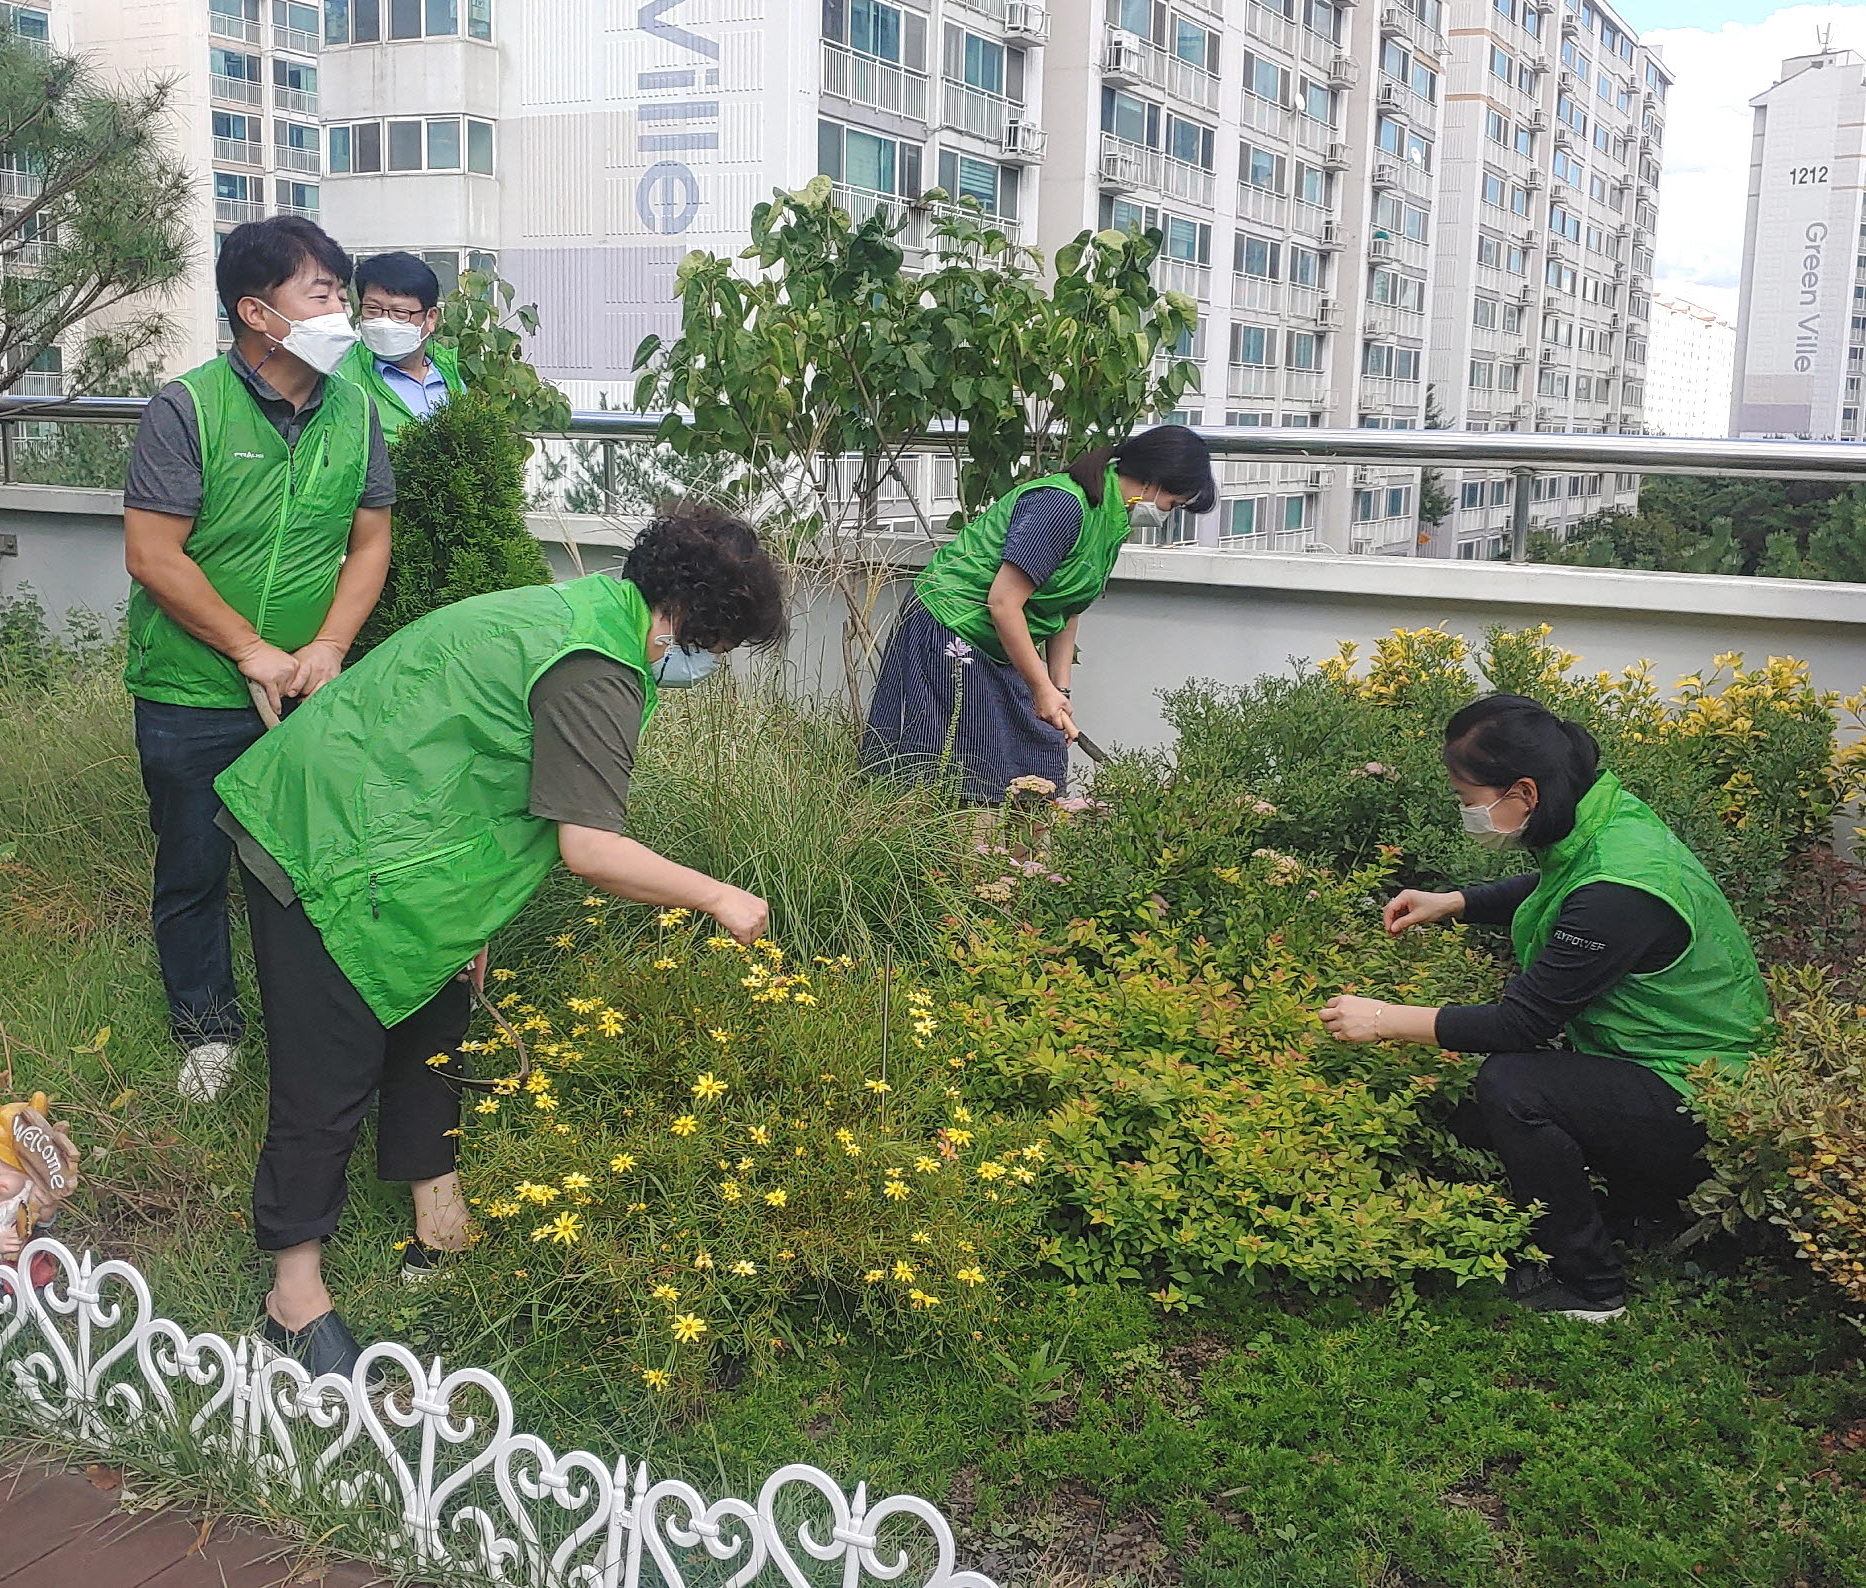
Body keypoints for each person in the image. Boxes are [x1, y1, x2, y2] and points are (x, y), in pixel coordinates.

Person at [212, 503, 785, 1380]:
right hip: (324, 836)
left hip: (392, 832)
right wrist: (719, 897)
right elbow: (589, 848)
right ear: (685, 619)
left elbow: (479, 767)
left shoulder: (584, 613)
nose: (714, 666)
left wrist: (467, 920)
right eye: (722, 647)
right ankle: (293, 1299)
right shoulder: (596, 665)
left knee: (435, 1024)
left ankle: (440, 1231)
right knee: (326, 1070)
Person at [1316, 694, 1770, 1322]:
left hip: (1705, 1096)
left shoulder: (1620, 888)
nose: (1465, 811)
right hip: (1666, 1062)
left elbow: (1521, 1023)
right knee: (1489, 1105)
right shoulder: (1605, 819)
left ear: (1523, 792)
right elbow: (1560, 883)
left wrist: (1383, 1019)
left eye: (1468, 798)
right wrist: (1457, 902)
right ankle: (1637, 1210)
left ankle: (1591, 1285)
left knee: (1514, 1085)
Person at [123, 217, 391, 1105]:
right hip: (190, 689)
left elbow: (369, 541)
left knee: (315, 867)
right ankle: (206, 1031)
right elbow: (154, 554)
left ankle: (316, 1033)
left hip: (309, 684)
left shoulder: (354, 411)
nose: (342, 311)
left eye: (341, 293)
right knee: (194, 866)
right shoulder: (188, 408)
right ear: (256, 313)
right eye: (322, 293)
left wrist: (327, 647)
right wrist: (248, 651)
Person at [862, 427, 1216, 803]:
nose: (1166, 514)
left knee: (1041, 754)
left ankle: (1018, 843)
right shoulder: (1062, 505)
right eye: (1173, 504)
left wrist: (1058, 691)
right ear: (1152, 482)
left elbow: (1066, 608)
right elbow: (1004, 602)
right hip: (950, 625)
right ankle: (959, 839)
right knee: (965, 772)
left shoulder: (1110, 519)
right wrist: (1041, 688)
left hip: (1000, 638)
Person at [335, 250, 466, 432]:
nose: (384, 322)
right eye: (372, 309)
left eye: (400, 313)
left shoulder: (448, 375)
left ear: (431, 318)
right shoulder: (341, 376)